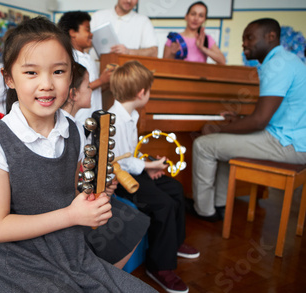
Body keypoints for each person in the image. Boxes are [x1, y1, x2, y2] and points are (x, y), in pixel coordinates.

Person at [0, 16, 156, 292]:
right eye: (31, 73)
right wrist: (72, 216)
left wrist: (96, 193)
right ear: (9, 78)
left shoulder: (72, 127)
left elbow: (70, 189)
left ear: (72, 75)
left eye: (58, 72)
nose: (47, 84)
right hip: (22, 263)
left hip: (71, 251)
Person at [189, 18, 306, 221]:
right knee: (225, 144)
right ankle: (220, 204)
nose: (244, 43)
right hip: (293, 138)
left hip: (288, 144)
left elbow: (260, 121)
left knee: (203, 145)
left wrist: (218, 129)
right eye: (244, 39)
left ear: (271, 37)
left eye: (249, 38)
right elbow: (274, 112)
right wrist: (241, 120)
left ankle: (204, 211)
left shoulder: (275, 65)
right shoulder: (289, 60)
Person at [109, 60, 199, 293]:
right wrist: (149, 164)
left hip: (134, 171)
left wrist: (148, 165)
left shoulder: (133, 115)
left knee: (176, 189)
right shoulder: (114, 120)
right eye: (149, 90)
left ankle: (174, 242)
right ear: (141, 93)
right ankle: (159, 267)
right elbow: (120, 161)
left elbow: (131, 154)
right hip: (121, 181)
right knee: (164, 204)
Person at [61, 62, 151, 270]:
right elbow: (69, 179)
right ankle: (99, 276)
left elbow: (80, 172)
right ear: (73, 94)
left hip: (79, 195)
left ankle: (103, 276)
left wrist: (101, 186)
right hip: (70, 204)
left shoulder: (74, 126)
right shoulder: (69, 129)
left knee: (135, 220)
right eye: (88, 87)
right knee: (130, 223)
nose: (93, 89)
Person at [58, 11, 113, 126]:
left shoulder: (88, 58)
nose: (91, 34)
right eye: (87, 29)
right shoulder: (70, 57)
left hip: (93, 117)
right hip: (81, 119)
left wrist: (105, 84)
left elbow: (92, 88)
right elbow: (75, 89)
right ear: (73, 33)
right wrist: (101, 81)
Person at [91, 0, 158, 57]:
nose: (129, 0)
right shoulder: (98, 16)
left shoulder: (143, 21)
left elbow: (154, 52)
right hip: (97, 68)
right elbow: (83, 46)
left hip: (126, 69)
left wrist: (128, 52)